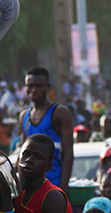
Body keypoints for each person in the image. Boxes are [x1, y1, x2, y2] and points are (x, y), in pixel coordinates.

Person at [18, 66, 75, 196]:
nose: (34, 90)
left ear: (48, 86)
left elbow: (68, 152)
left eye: (39, 86)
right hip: (30, 188)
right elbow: (22, 155)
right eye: (30, 86)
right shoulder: (24, 117)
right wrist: (21, 187)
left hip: (54, 185)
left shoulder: (60, 113)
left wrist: (64, 185)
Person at [12, 134, 73, 213]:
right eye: (26, 154)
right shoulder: (20, 199)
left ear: (48, 167)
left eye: (38, 157)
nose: (29, 160)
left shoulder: (52, 197)